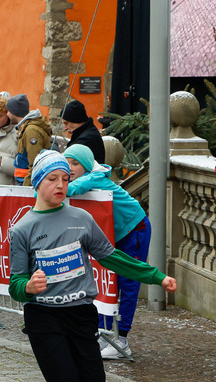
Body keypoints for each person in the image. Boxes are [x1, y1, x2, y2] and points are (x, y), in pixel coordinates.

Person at [8, 150, 177, 382]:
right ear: (38, 182)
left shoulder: (81, 219)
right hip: (44, 319)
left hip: (81, 314)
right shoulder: (22, 230)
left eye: (65, 179)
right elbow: (14, 283)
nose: (60, 185)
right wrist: (28, 286)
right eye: (53, 179)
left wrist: (156, 276)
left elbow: (112, 257)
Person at [63, 144, 151, 359]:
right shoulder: (86, 178)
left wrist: (48, 182)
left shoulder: (94, 177)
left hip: (135, 230)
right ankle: (104, 334)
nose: (70, 168)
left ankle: (122, 340)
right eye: (67, 164)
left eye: (75, 164)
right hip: (117, 234)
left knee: (127, 283)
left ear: (85, 164)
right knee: (106, 281)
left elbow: (70, 190)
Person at [7, 94, 51, 185]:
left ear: (14, 112)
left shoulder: (31, 131)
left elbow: (35, 163)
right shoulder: (27, 128)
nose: (7, 114)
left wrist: (26, 186)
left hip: (27, 184)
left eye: (8, 111)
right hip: (24, 181)